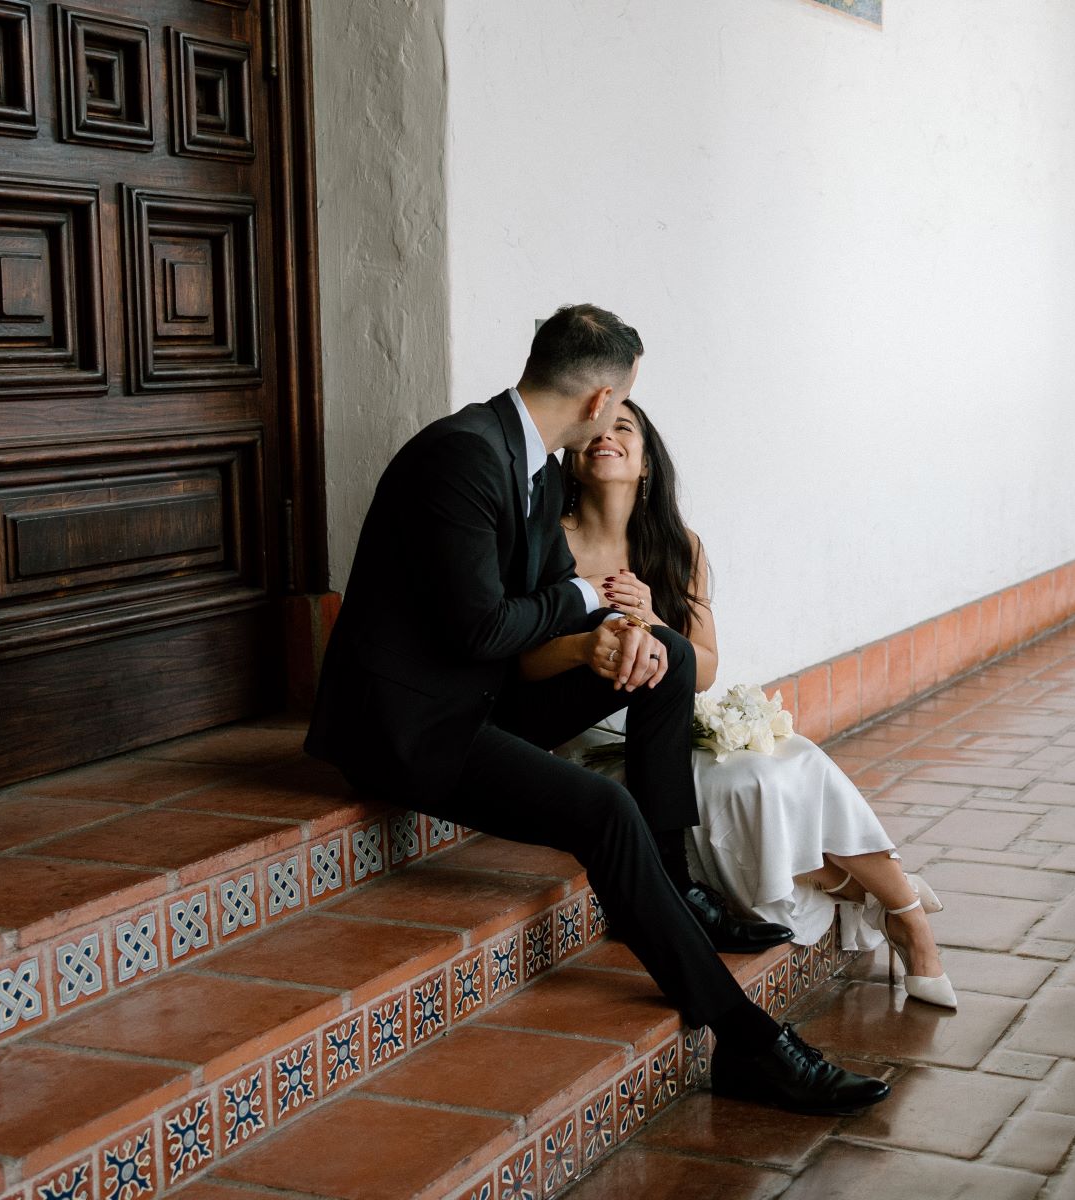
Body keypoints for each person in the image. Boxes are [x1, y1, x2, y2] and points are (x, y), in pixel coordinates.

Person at [304, 303, 890, 1114]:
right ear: (596, 400)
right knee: (603, 811)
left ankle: (671, 885)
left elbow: (545, 609)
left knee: (670, 656)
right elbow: (482, 626)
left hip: (485, 698)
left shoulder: (534, 464)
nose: (619, 420)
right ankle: (748, 1042)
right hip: (414, 729)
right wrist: (584, 599)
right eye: (620, 405)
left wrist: (617, 638)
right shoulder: (462, 458)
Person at [521, 399, 955, 1009]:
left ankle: (906, 915)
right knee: (745, 788)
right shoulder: (545, 543)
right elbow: (521, 663)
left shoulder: (679, 545)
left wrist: (653, 622)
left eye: (626, 429)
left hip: (669, 721)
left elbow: (703, 670)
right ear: (572, 453)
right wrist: (585, 645)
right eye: (596, 428)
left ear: (646, 462)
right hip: (594, 739)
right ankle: (896, 902)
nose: (608, 437)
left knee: (795, 760)